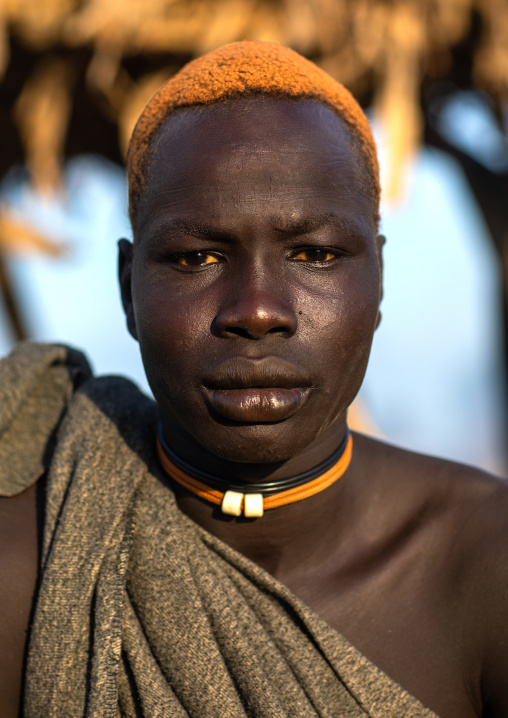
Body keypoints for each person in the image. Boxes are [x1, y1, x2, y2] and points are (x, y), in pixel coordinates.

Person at [0, 41, 507, 718]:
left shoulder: (485, 565)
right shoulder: (23, 572)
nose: (258, 310)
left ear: (377, 280)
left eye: (315, 254)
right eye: (197, 257)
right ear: (128, 290)